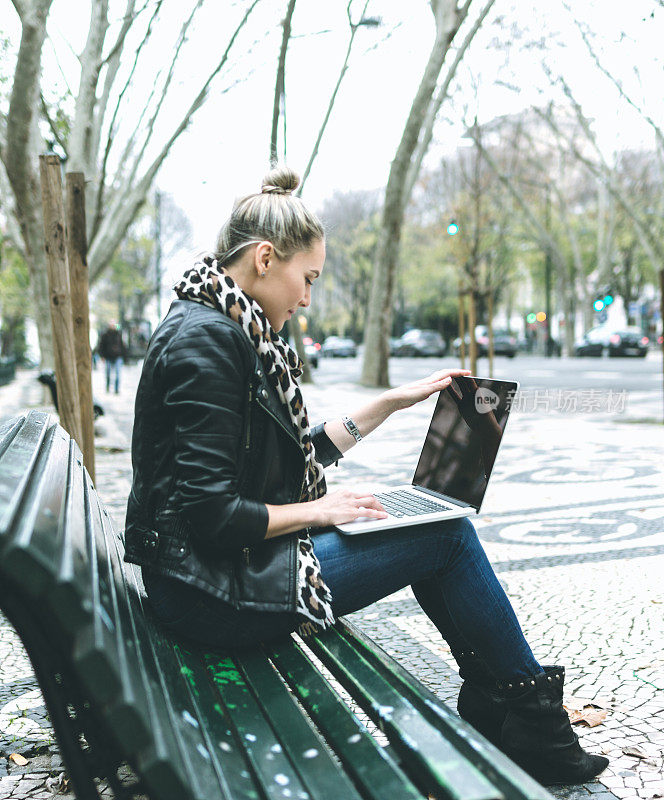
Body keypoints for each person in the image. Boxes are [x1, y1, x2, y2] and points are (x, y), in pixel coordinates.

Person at [124, 167, 608, 786]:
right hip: (210, 595)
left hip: (218, 573)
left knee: (430, 526)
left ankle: (503, 703)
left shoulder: (223, 329)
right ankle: (529, 723)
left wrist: (390, 402)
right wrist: (322, 512)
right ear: (266, 259)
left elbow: (296, 454)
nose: (306, 299)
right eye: (308, 280)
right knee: (446, 537)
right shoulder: (210, 344)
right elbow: (212, 518)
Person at [97, 320, 126, 393]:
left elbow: (122, 345)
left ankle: (116, 389)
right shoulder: (105, 335)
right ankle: (107, 387)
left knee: (118, 374)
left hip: (117, 357)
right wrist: (102, 356)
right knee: (108, 373)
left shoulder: (118, 334)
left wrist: (124, 356)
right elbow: (101, 346)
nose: (113, 326)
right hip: (108, 357)